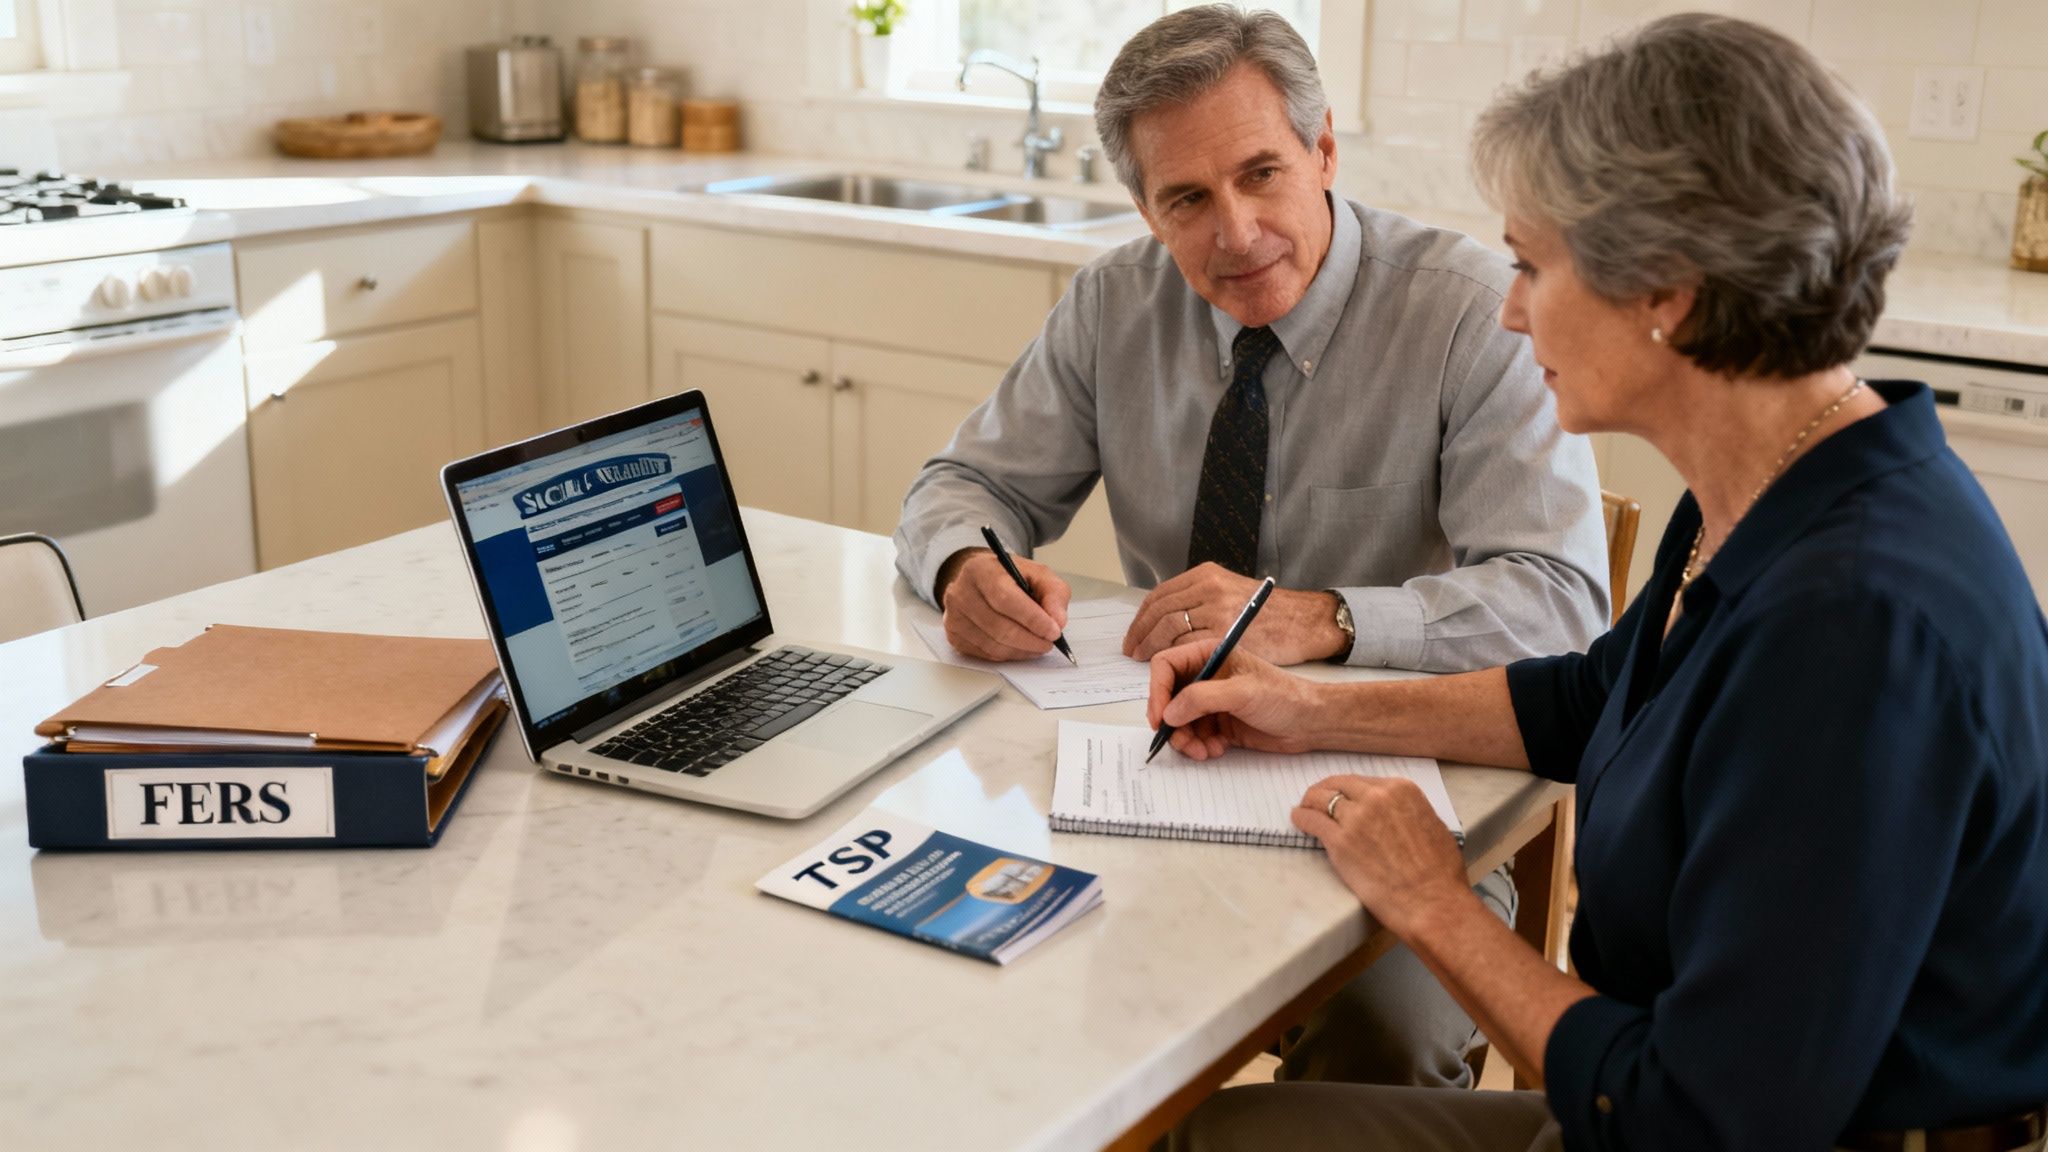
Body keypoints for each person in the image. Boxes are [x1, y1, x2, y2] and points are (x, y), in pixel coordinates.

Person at [1160, 13, 2048, 1152]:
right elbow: (1591, 700)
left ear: (1662, 289)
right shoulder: (1770, 481)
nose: (1508, 307)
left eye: (1531, 264)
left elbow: (1694, 1120)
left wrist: (1432, 900)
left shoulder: (1853, 624)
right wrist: (1310, 711)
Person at [893, 4, 1610, 1093]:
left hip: (1403, 793)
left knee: (1388, 1041)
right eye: (1184, 197)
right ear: (1144, 208)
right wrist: (964, 566)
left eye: (1261, 174)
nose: (1232, 231)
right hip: (1155, 771)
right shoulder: (1110, 305)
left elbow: (1562, 605)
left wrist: (1328, 617)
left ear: (1323, 153)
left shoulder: (1472, 315)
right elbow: (962, 486)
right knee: (958, 967)